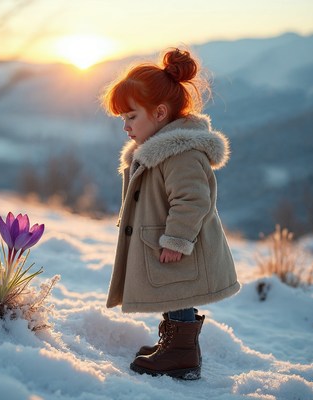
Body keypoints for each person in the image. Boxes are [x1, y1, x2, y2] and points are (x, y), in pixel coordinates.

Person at [100, 48, 240, 380]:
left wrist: (177, 240)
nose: (125, 127)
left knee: (178, 292)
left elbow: (193, 199)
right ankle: (174, 346)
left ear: (160, 112)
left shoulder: (181, 153)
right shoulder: (157, 148)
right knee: (174, 292)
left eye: (131, 116)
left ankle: (181, 355)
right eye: (123, 119)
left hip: (177, 245)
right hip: (161, 244)